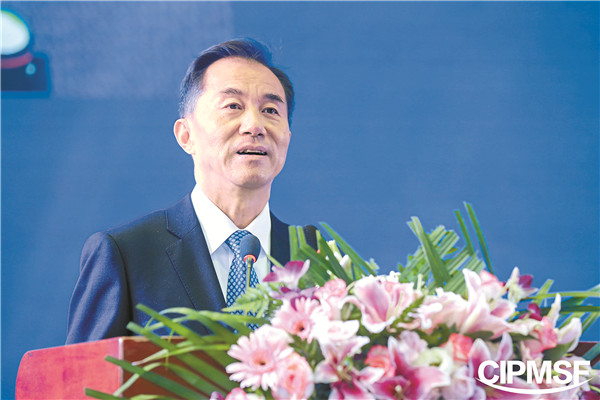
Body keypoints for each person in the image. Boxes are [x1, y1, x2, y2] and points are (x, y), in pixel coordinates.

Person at [66, 38, 308, 344]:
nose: (254, 125)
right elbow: (83, 372)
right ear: (186, 135)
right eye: (233, 106)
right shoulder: (125, 255)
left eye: (270, 110)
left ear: (288, 137)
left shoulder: (316, 257)